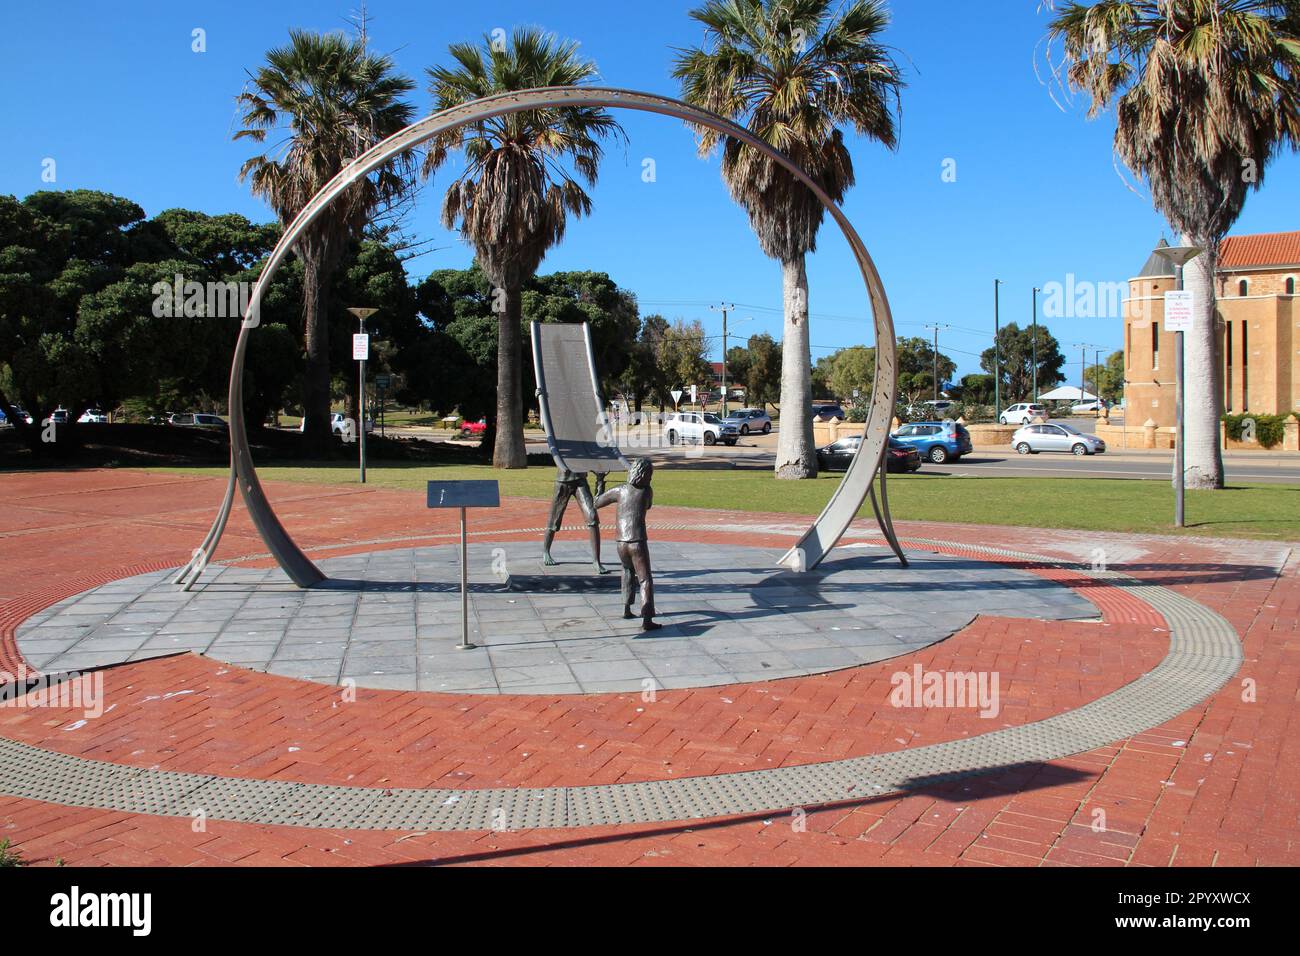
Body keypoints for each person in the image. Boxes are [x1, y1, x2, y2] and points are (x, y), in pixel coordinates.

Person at [595, 458, 659, 631]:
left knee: (626, 571)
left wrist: (600, 481)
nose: (651, 478)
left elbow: (597, 503)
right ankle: (647, 619)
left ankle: (626, 608)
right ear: (644, 475)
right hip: (637, 540)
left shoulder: (620, 490)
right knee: (645, 579)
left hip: (620, 541)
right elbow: (648, 506)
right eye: (650, 474)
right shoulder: (646, 491)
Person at [541, 467, 606, 574]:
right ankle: (546, 551)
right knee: (554, 519)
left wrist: (598, 473)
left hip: (580, 480)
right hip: (563, 481)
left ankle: (596, 561)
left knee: (592, 517)